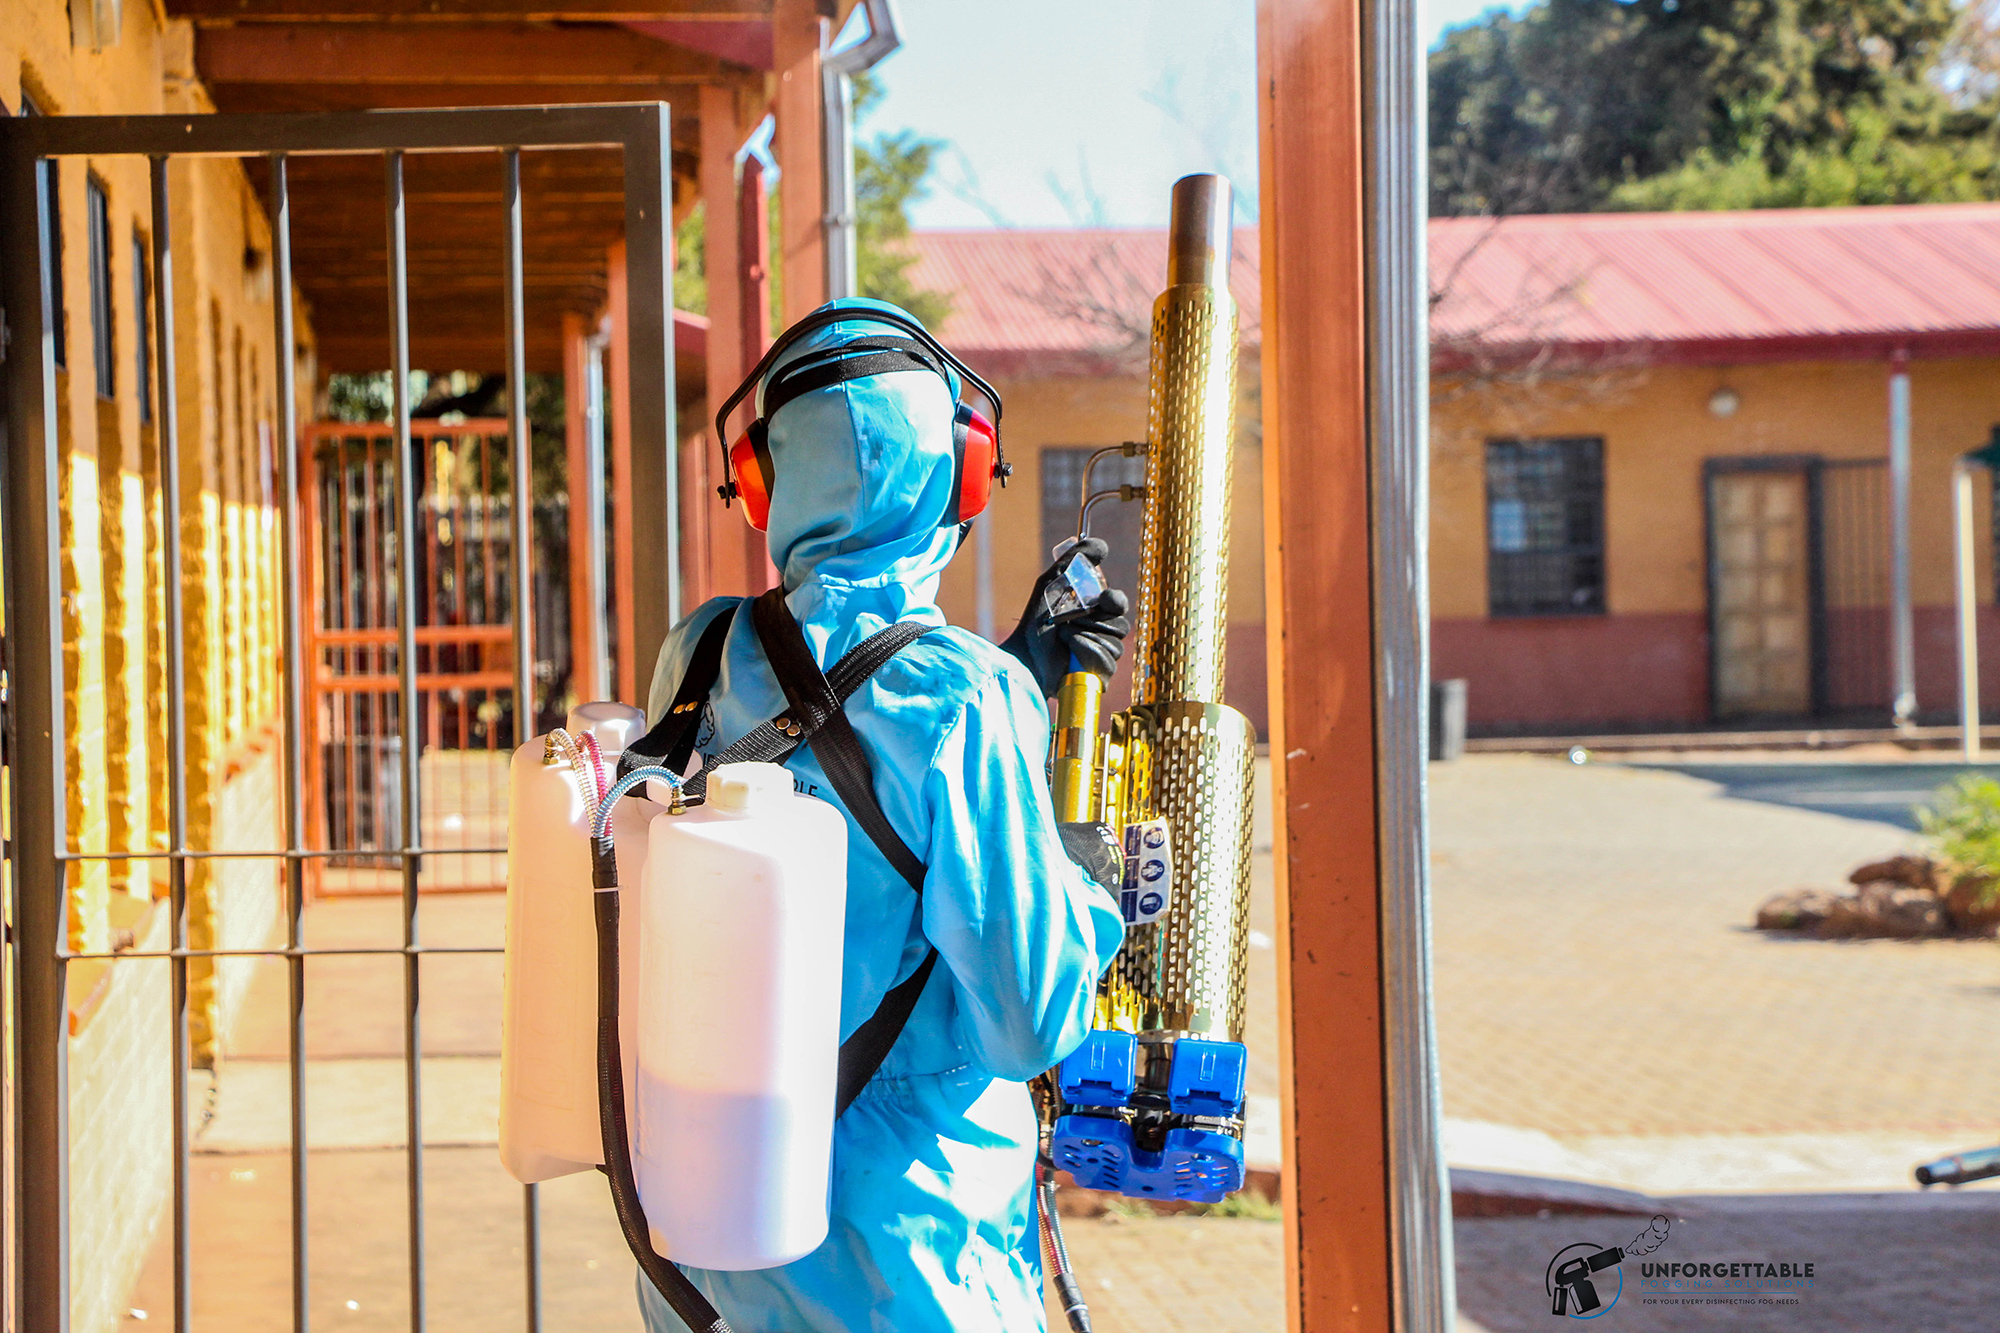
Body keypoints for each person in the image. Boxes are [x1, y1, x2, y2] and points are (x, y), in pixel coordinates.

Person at [638, 298, 1130, 1331]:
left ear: (762, 482)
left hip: (712, 1250)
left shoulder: (696, 654)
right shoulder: (969, 698)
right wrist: (1078, 882)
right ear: (961, 471)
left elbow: (819, 741)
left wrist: (1013, 674)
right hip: (911, 1266)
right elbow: (1028, 1022)